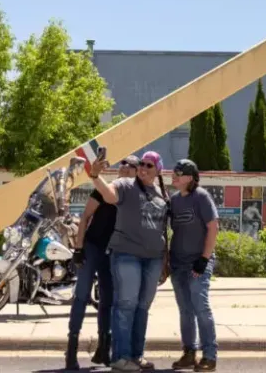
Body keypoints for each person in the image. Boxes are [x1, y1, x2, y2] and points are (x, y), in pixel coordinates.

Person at [85, 150, 169, 373]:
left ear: (158, 170)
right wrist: (95, 176)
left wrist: (166, 260)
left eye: (149, 165)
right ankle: (120, 358)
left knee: (142, 307)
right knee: (126, 305)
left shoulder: (162, 194)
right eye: (141, 163)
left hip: (153, 259)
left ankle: (136, 355)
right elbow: (109, 195)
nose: (143, 168)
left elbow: (164, 227)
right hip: (126, 254)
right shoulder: (126, 185)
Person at [65, 156, 136, 370]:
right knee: (82, 295)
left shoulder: (135, 195)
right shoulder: (106, 188)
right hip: (93, 247)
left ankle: (103, 348)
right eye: (122, 163)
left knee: (108, 300)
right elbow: (85, 217)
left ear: (136, 171)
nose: (123, 167)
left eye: (129, 164)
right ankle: (71, 349)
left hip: (113, 252)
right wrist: (78, 249)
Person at [166, 159, 219, 371]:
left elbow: (213, 227)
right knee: (185, 310)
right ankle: (189, 353)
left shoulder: (201, 197)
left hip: (198, 262)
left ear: (190, 178)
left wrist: (204, 259)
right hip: (178, 263)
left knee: (200, 306)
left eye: (179, 173)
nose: (175, 176)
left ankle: (210, 356)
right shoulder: (174, 200)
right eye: (174, 172)